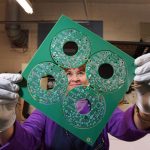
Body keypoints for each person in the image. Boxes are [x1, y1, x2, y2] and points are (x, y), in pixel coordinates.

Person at [0, 53, 150, 150]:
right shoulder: (47, 109)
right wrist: (5, 126)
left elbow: (124, 127)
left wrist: (145, 111)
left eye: (81, 72)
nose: (75, 78)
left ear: (90, 75)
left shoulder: (99, 104)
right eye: (68, 73)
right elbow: (26, 141)